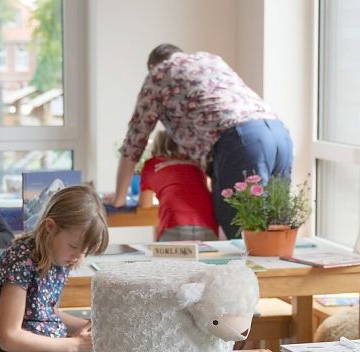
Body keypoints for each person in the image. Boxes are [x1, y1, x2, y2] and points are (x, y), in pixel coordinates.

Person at [111, 43, 293, 238]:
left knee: (243, 228)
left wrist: (118, 200)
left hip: (241, 142)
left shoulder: (158, 75)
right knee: (276, 230)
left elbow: (134, 142)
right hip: (279, 134)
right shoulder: (210, 60)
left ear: (153, 66)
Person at [0, 186, 109, 352]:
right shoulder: (20, 260)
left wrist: (93, 329)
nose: (78, 256)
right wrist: (74, 345)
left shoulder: (60, 258)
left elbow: (46, 313)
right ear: (50, 227)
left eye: (85, 251)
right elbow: (9, 338)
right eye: (74, 246)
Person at [140, 129, 219, 242]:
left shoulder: (151, 165)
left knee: (168, 260)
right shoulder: (196, 162)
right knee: (207, 259)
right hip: (207, 223)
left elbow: (145, 204)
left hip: (173, 223)